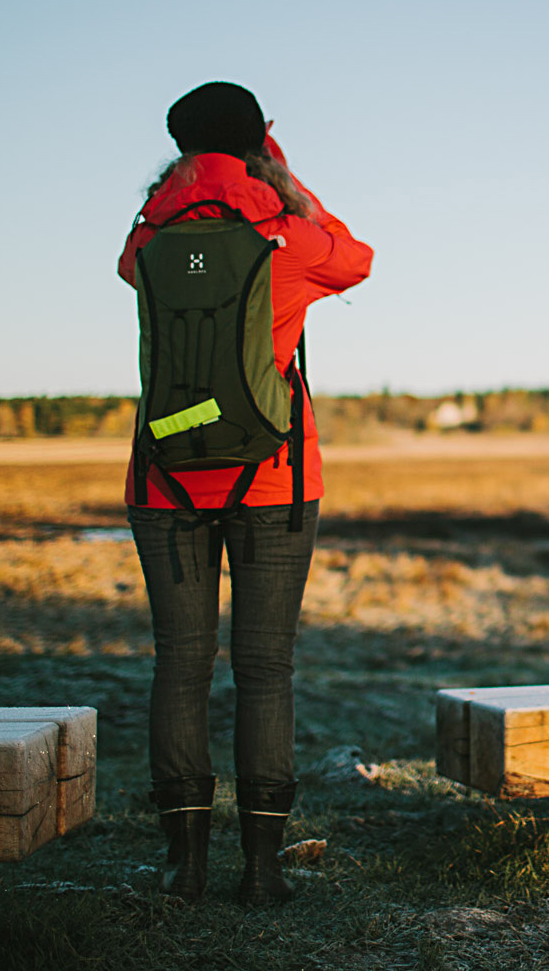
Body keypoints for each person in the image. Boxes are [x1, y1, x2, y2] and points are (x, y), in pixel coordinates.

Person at [117, 82, 373, 905]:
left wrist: (184, 187)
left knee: (180, 667)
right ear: (259, 142)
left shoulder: (148, 239)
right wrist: (287, 180)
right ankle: (262, 872)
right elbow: (355, 257)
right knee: (265, 670)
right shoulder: (285, 239)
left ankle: (183, 863)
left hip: (164, 478)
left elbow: (133, 258)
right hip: (273, 477)